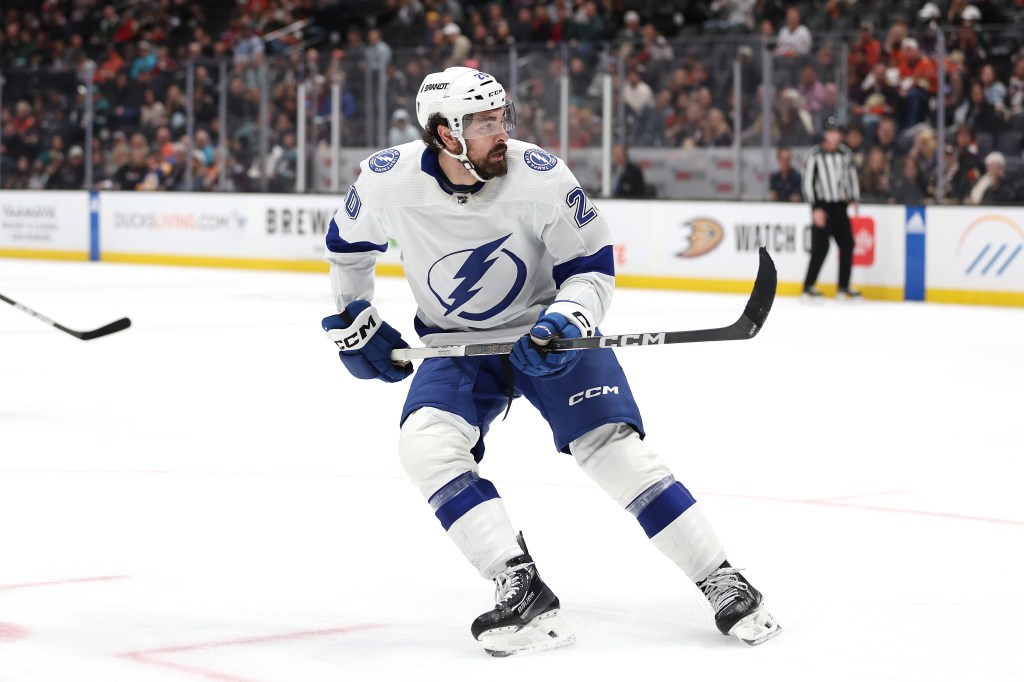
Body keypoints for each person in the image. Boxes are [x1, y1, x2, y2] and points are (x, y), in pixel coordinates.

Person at [321, 67, 781, 656]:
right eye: (484, 123)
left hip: (548, 335)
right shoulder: (388, 180)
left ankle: (724, 579)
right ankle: (522, 590)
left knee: (614, 451)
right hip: (457, 343)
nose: (501, 132)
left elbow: (590, 267)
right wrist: (355, 320)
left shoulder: (538, 176)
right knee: (425, 446)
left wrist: (566, 321)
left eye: (501, 117)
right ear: (443, 133)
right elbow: (347, 249)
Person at [801, 116, 861, 299]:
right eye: (831, 132)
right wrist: (814, 208)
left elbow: (851, 178)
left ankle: (843, 286)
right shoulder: (814, 155)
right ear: (825, 134)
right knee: (821, 247)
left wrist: (854, 198)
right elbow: (807, 184)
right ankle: (808, 286)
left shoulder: (845, 154)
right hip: (823, 206)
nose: (834, 136)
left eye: (837, 132)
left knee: (847, 245)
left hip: (840, 205)